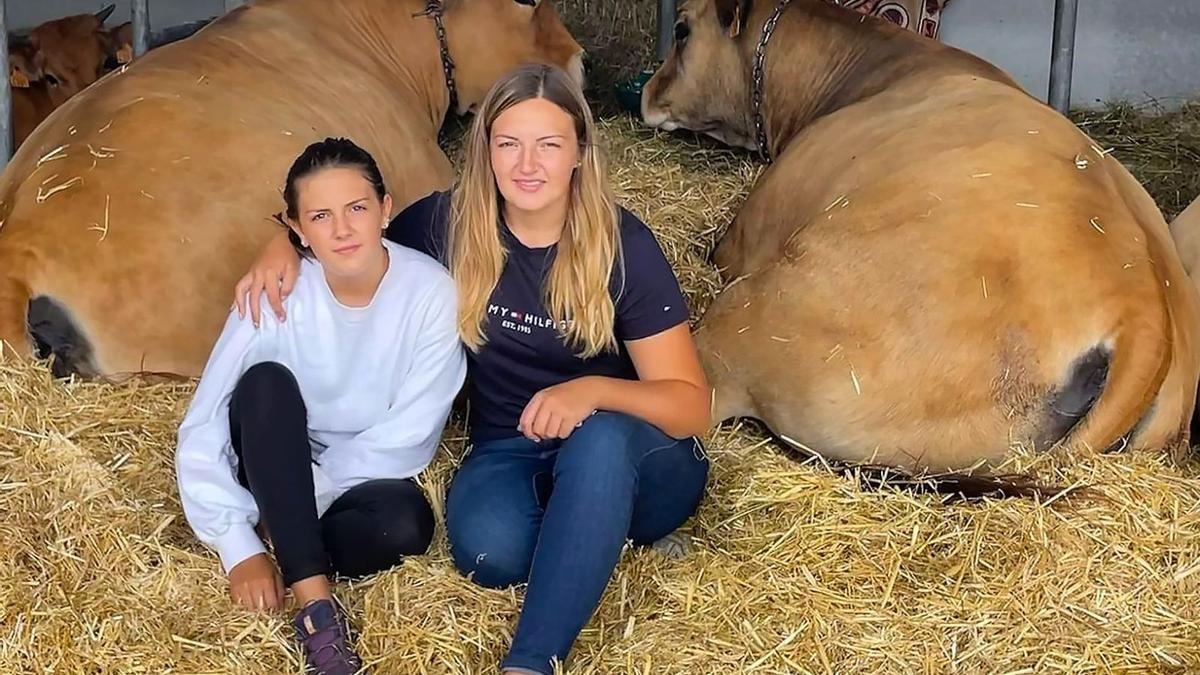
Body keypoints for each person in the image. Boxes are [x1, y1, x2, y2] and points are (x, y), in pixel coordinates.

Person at [235, 63, 712, 675]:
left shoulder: (623, 246)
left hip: (636, 452)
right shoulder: (449, 224)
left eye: (549, 144)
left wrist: (591, 390)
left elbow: (692, 405)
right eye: (508, 144)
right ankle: (590, 542)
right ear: (485, 150)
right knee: (489, 554)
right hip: (510, 447)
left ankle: (531, 660)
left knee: (598, 443)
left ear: (579, 154)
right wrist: (283, 242)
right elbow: (350, 233)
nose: (527, 165)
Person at [178, 137, 466, 675]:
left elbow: (411, 434)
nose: (341, 229)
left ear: (385, 210)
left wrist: (294, 504)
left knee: (405, 526)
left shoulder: (430, 293)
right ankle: (317, 611)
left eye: (357, 208)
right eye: (320, 215)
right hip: (271, 448)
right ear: (296, 228)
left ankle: (285, 539)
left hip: (354, 478)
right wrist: (237, 544)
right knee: (264, 382)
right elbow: (205, 419)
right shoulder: (277, 289)